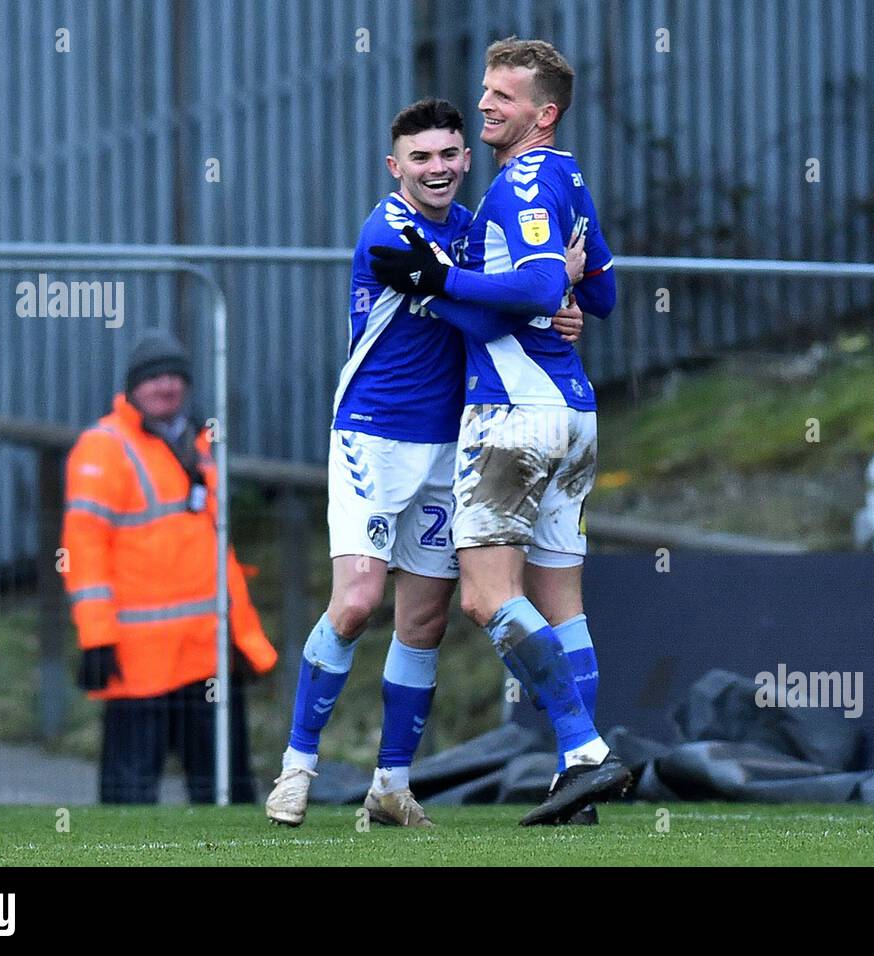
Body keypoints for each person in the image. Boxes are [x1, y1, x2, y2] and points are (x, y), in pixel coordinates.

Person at [264, 99, 585, 829]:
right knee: (354, 602)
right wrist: (542, 293)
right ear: (395, 167)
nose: (436, 168)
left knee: (425, 620)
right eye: (421, 157)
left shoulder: (473, 231)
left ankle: (391, 786)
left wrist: (559, 299)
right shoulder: (390, 234)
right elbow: (475, 314)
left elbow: (540, 293)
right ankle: (297, 767)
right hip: (373, 436)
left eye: (448, 154)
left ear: (466, 159)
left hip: (450, 443)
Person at [370, 38, 622, 826]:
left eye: (502, 97)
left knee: (484, 598)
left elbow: (545, 282)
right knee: (563, 608)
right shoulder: (570, 174)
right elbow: (599, 289)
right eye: (485, 90)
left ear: (541, 114)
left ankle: (586, 752)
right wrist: (560, 294)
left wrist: (440, 281)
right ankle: (574, 783)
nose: (484, 104)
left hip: (516, 413)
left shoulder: (524, 178)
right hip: (572, 414)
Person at [61, 331, 278, 803]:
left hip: (206, 653)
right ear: (133, 388)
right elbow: (84, 546)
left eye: (175, 376)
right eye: (154, 377)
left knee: (228, 793)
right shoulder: (104, 448)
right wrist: (96, 637)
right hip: (140, 661)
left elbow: (215, 551)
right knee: (129, 801)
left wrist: (240, 636)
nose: (166, 386)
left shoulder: (195, 443)